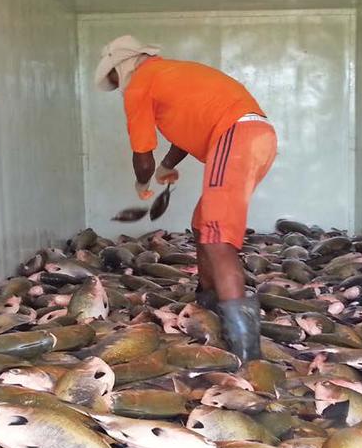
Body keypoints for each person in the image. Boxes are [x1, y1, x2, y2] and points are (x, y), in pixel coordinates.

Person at [94, 35, 277, 362]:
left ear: (122, 66)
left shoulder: (140, 85)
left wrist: (142, 182)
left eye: (112, 76)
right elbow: (187, 130)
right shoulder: (170, 76)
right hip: (255, 135)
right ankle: (209, 308)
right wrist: (167, 166)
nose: (116, 85)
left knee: (218, 238)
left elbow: (141, 154)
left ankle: (247, 354)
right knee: (203, 225)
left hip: (236, 136)